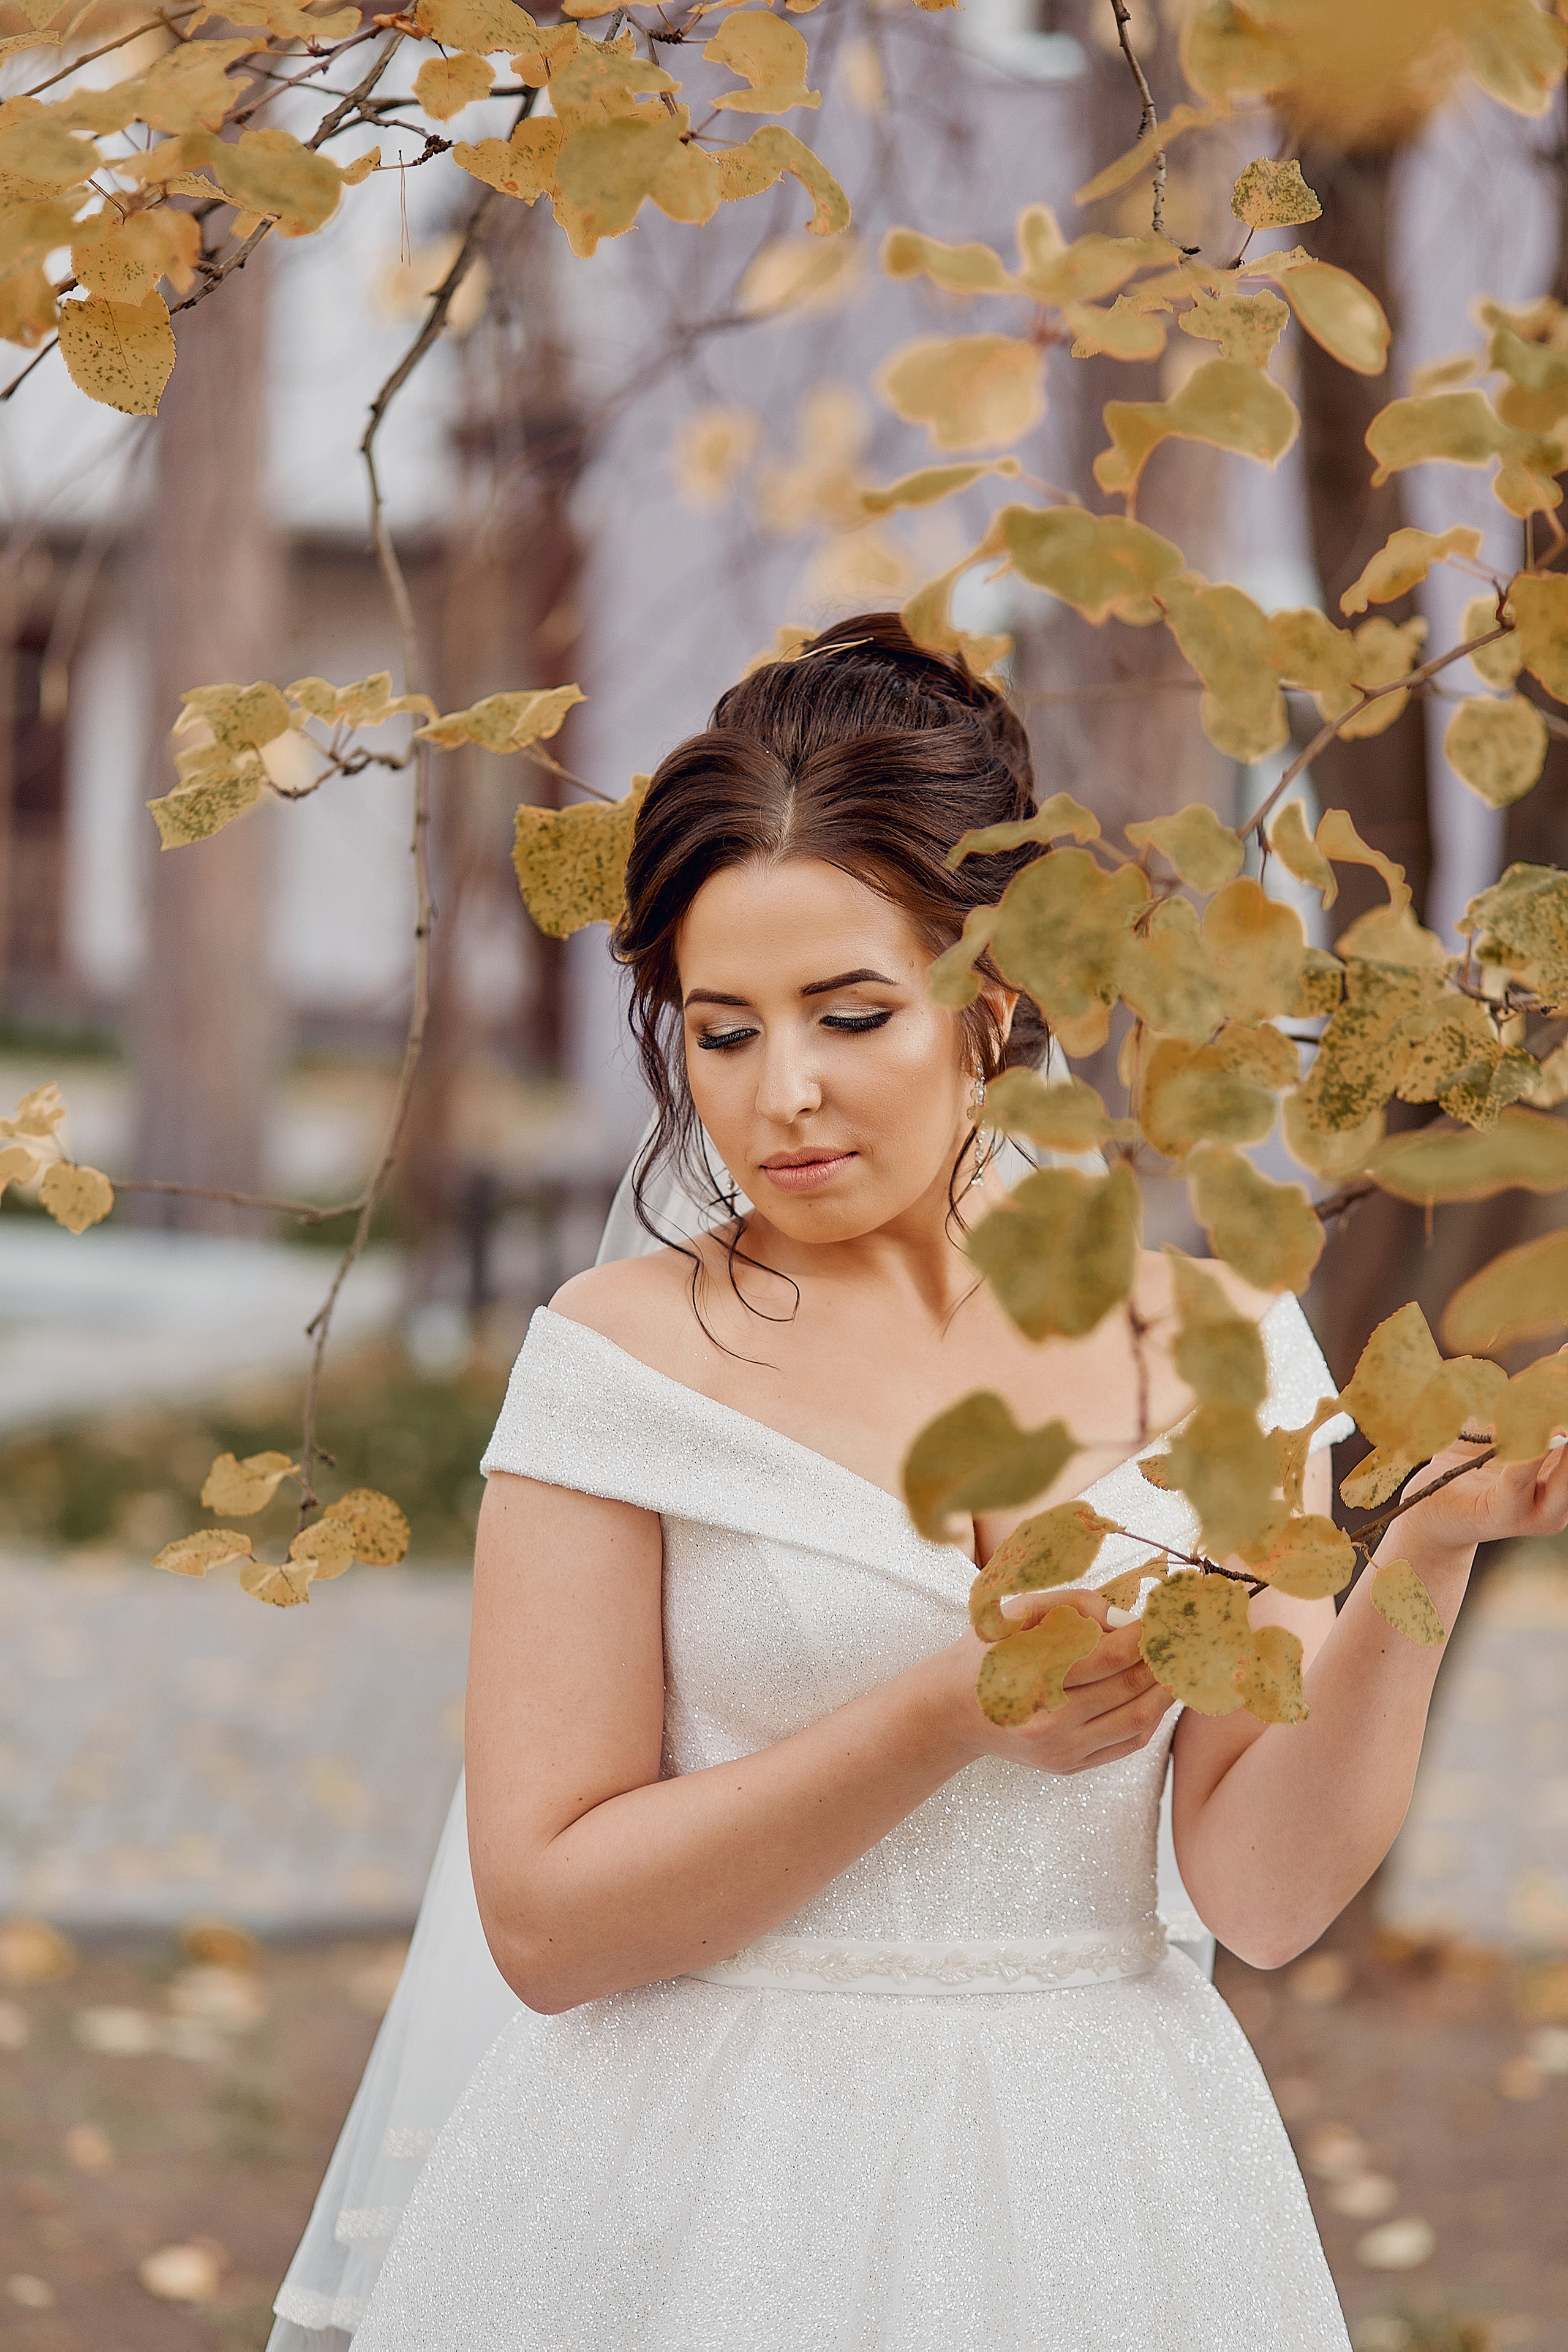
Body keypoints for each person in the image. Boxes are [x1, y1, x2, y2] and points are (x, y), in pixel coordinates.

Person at [272, 614, 1568, 2352]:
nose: (782, 1095)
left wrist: (1427, 1555)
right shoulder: (622, 1360)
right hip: (691, 2193)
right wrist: (946, 1716)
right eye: (722, 1032)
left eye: (853, 1012)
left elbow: (1260, 1895)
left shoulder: (1212, 1341)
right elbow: (547, 1924)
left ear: (999, 992)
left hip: (1100, 2185)